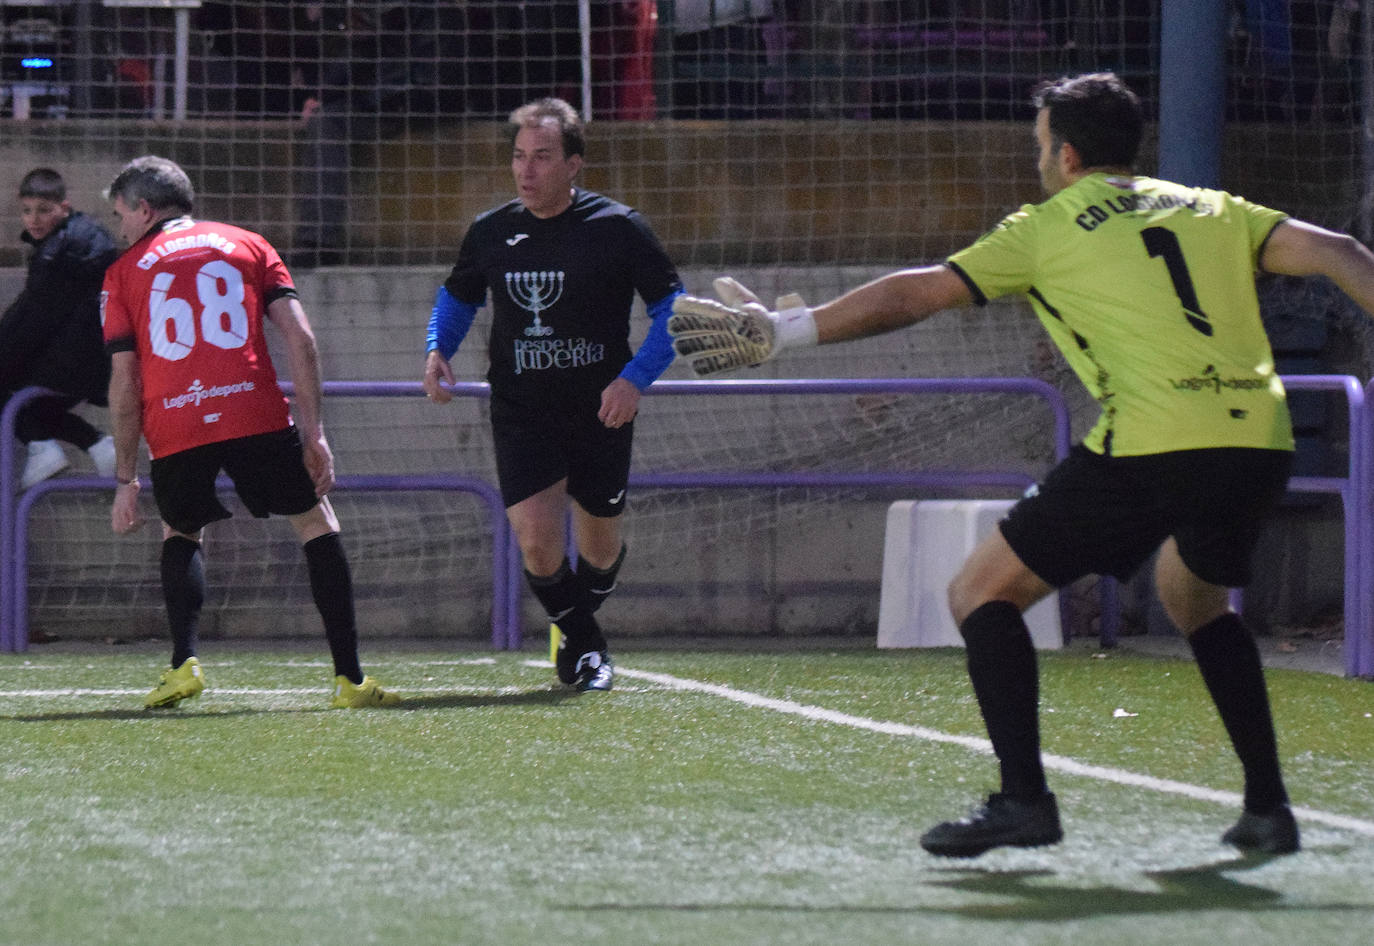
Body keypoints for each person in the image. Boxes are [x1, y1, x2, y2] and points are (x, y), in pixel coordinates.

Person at [668, 71, 1374, 857]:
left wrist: (787, 332)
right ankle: (1269, 809)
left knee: (981, 591)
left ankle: (1023, 800)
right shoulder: (1213, 207)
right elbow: (1340, 251)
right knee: (1194, 598)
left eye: (1039, 145)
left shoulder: (1045, 226)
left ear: (1066, 156)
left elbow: (919, 293)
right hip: (1257, 438)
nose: (1037, 159)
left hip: (1155, 440)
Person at [101, 155, 399, 710]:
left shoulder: (122, 273)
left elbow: (124, 385)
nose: (119, 228)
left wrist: (125, 477)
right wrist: (314, 432)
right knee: (315, 522)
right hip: (252, 409)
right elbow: (301, 338)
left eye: (120, 214)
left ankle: (183, 666)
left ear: (144, 210)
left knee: (181, 531)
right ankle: (350, 680)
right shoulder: (248, 244)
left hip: (177, 416)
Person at [423, 98, 684, 692]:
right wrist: (439, 348)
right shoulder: (491, 232)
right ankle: (588, 644)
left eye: (542, 157)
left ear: (574, 165)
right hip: (523, 410)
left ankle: (576, 625)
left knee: (599, 549)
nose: (526, 170)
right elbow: (459, 296)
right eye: (519, 157)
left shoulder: (619, 228)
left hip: (601, 410)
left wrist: (634, 379)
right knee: (539, 548)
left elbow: (674, 310)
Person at [1, 168, 118, 491]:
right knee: (38, 407)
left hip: (76, 359)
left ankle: (42, 446)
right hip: (94, 360)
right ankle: (96, 444)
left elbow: (33, 318)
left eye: (43, 210)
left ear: (63, 208)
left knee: (12, 394)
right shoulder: (82, 240)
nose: (33, 220)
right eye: (27, 211)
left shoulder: (60, 252)